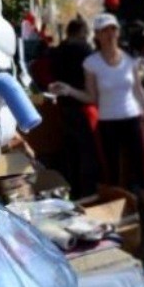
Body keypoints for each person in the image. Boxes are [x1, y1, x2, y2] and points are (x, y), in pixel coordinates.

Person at [49, 13, 144, 222]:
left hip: (132, 119)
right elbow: (92, 97)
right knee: (112, 175)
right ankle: (118, 218)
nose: (110, 34)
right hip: (108, 123)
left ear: (118, 31)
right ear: (97, 35)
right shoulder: (92, 63)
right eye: (105, 30)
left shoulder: (129, 60)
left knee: (143, 171)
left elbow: (138, 90)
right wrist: (69, 90)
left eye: (113, 29)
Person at [48, 17, 100, 199]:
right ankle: (88, 192)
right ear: (83, 32)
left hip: (63, 107)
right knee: (86, 152)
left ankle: (74, 191)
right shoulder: (85, 51)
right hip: (82, 106)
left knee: (71, 153)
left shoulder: (56, 51)